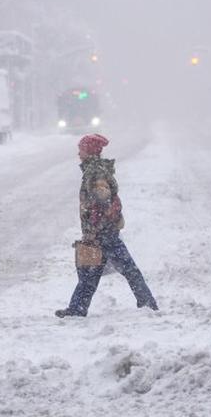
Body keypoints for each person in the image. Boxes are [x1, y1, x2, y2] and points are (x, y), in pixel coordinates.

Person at [55, 133, 158, 317]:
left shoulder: (96, 173)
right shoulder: (93, 169)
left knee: (124, 270)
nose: (79, 154)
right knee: (91, 274)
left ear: (90, 151)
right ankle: (77, 309)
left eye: (81, 150)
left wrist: (94, 228)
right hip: (101, 232)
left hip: (104, 233)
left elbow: (102, 200)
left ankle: (148, 304)